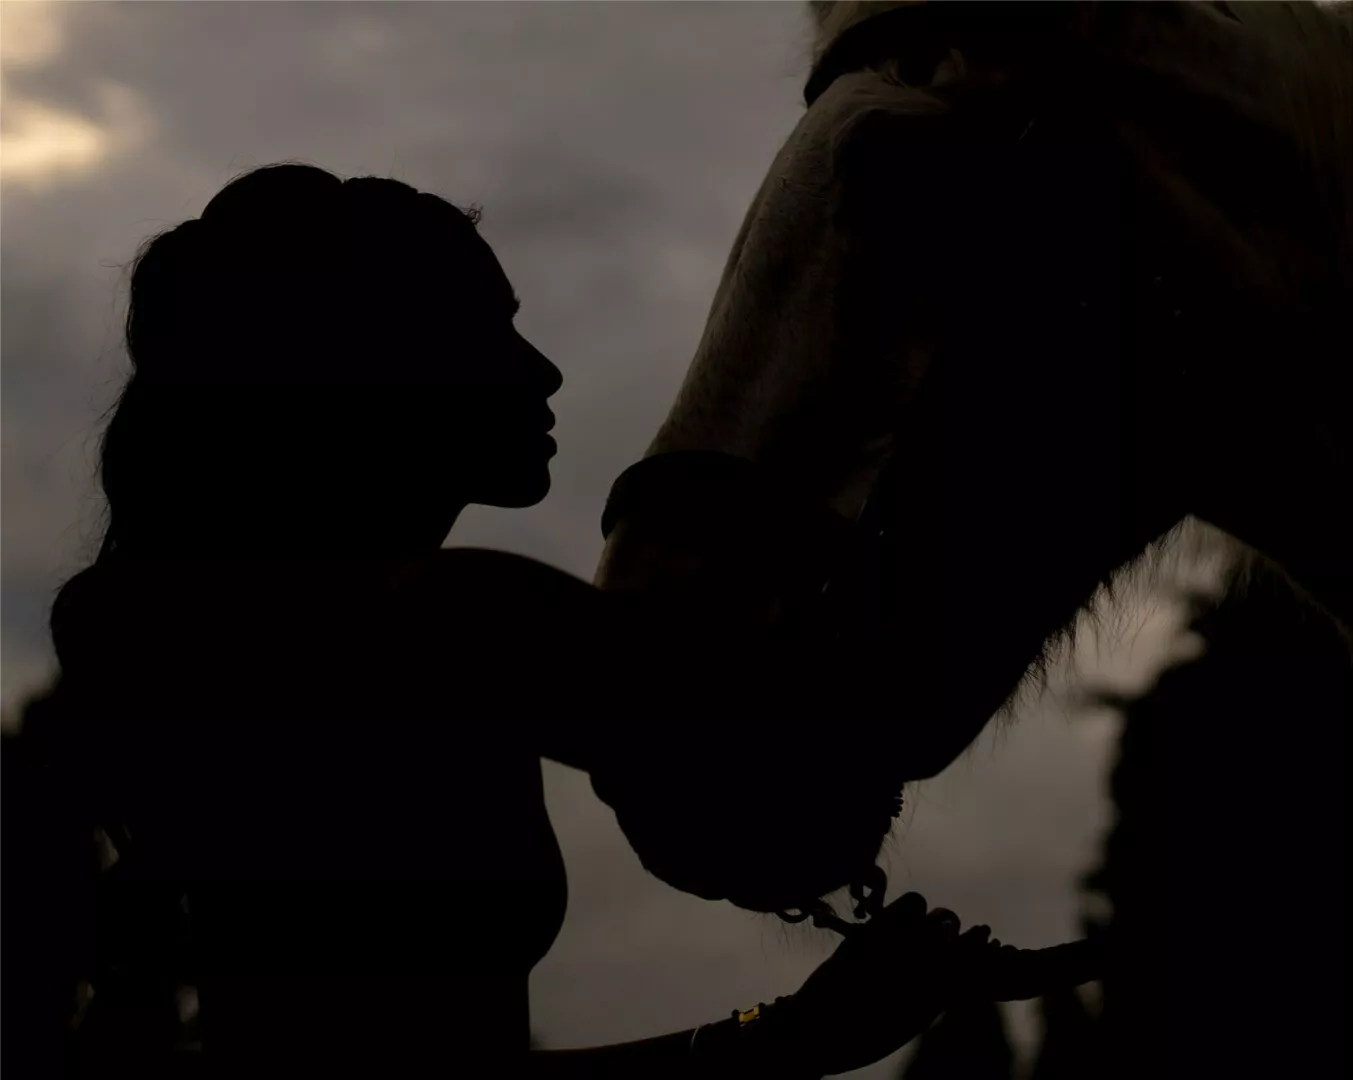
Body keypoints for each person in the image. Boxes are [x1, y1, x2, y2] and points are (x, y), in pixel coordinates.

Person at [33, 163, 997, 1078]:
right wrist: (790, 1038)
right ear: (378, 366)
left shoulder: (263, 644)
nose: (545, 372)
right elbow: (786, 763)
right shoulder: (460, 624)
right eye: (489, 331)